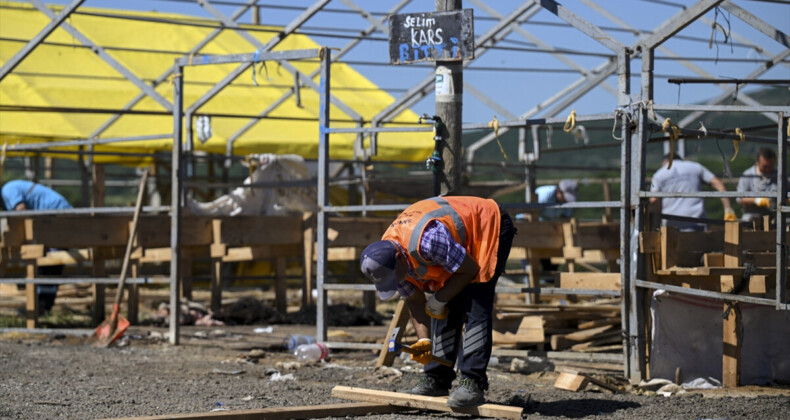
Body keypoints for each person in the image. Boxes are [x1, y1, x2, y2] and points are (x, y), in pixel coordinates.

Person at [359, 196, 516, 408]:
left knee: (475, 304)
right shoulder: (386, 261)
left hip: (486, 227)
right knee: (445, 308)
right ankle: (436, 378)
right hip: (455, 246)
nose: (396, 282)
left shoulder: (428, 241)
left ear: (398, 257)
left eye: (395, 278)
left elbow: (469, 270)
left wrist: (439, 298)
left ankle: (473, 382)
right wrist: (424, 342)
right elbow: (414, 301)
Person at [1, 180, 72, 312]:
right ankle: (43, 305)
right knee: (52, 265)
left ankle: (40, 306)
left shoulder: (7, 190)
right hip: (57, 216)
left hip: (57, 217)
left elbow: (22, 211)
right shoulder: (8, 192)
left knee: (48, 262)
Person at [649, 154, 736, 232]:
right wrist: (728, 210)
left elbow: (653, 200)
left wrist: (656, 220)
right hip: (697, 222)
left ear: (665, 161)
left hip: (671, 224)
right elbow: (719, 185)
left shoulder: (659, 174)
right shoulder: (695, 167)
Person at [736, 147, 777, 225]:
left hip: (772, 218)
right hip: (751, 218)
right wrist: (756, 200)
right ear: (757, 162)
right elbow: (739, 199)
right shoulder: (747, 175)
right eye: (765, 166)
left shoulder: (779, 175)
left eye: (771, 166)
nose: (768, 170)